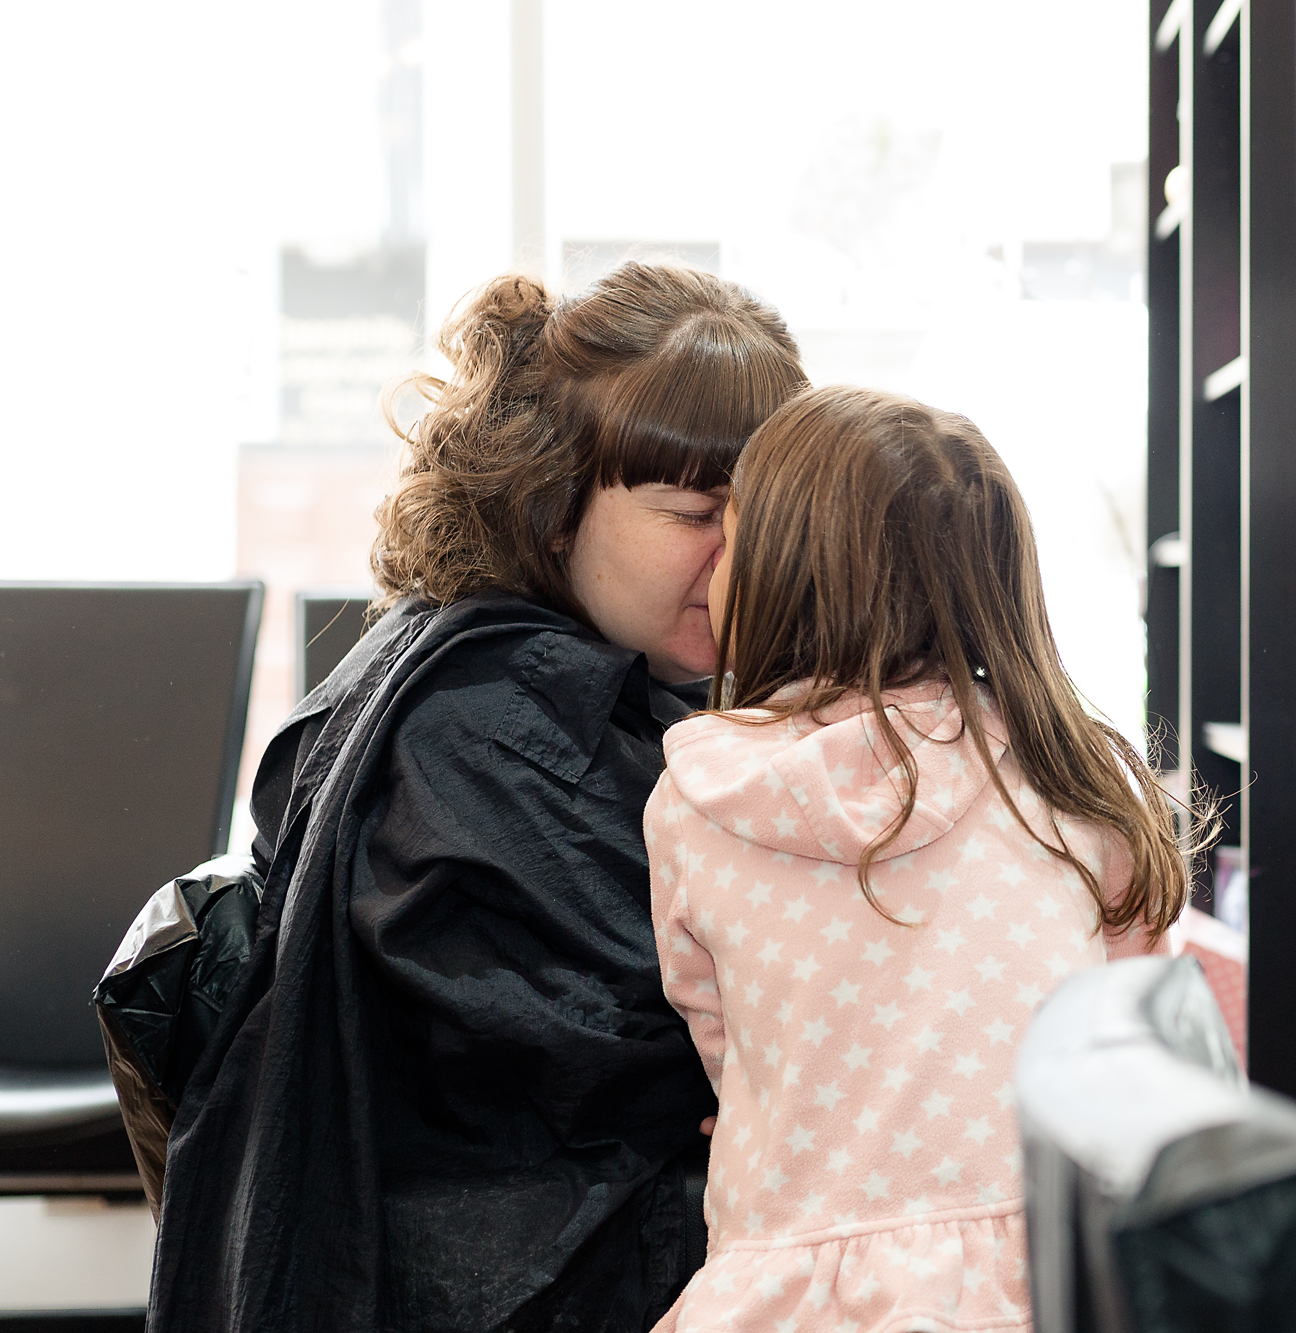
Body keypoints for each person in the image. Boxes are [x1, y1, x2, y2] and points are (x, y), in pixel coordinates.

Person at [149, 263, 808, 1333]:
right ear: (550, 506)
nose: (743, 559)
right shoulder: (497, 726)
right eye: (692, 511)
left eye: (771, 514)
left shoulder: (487, 670)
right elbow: (696, 1036)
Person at [643, 386, 1193, 1331]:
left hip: (787, 1297)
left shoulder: (700, 798)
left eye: (729, 536)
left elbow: (729, 1049)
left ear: (784, 570)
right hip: (1051, 1283)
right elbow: (1130, 1048)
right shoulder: (1074, 775)